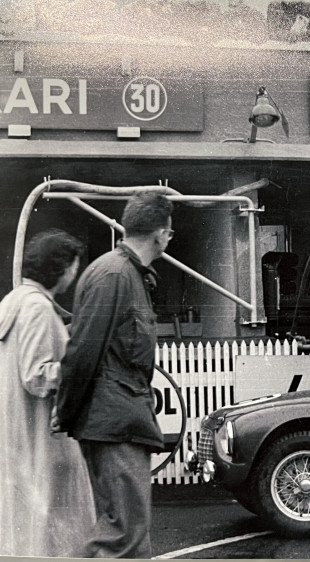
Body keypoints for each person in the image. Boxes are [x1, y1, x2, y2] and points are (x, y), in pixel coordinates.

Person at [55, 192, 174, 558]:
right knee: (123, 537)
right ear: (160, 233)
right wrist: (67, 411)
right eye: (169, 230)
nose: (171, 236)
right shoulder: (115, 274)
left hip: (118, 421)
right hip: (114, 425)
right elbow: (82, 351)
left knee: (129, 537)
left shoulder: (125, 274)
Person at [0, 229, 93, 557]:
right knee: (54, 536)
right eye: (74, 267)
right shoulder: (38, 308)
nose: (74, 275)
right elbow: (37, 376)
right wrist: (79, 366)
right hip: (43, 440)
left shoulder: (13, 302)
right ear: (62, 268)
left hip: (19, 440)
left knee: (26, 535)